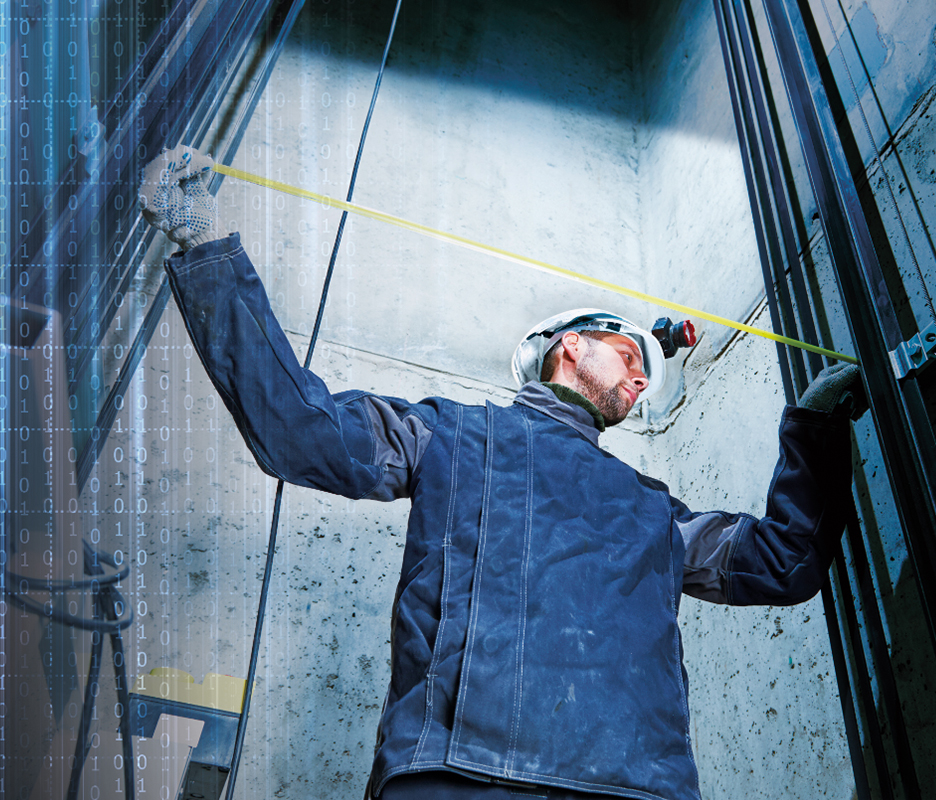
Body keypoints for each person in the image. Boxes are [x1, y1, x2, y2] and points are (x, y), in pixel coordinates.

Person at [138, 146, 860, 800]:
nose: (642, 378)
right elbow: (299, 431)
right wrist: (206, 247)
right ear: (570, 346)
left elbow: (784, 562)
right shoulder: (450, 436)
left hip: (637, 791)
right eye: (631, 354)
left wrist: (818, 432)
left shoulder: (655, 513)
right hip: (462, 777)